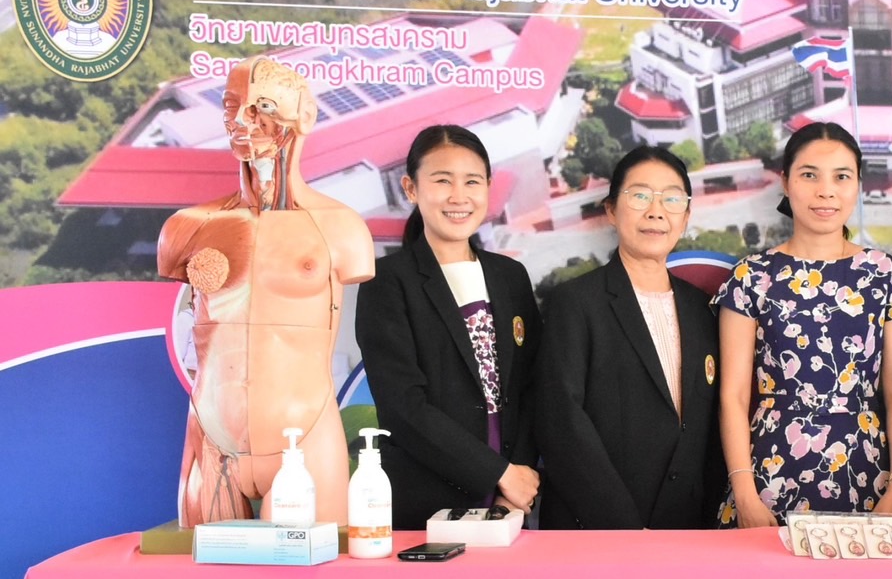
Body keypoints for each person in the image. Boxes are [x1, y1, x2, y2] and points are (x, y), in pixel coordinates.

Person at [158, 57, 374, 528]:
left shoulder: (341, 228)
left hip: (306, 434)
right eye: (231, 107)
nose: (243, 121)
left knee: (311, 573)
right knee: (209, 572)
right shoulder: (188, 228)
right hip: (213, 435)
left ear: (304, 116)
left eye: (263, 107)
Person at [716, 122, 892, 527]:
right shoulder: (752, 276)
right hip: (769, 473)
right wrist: (745, 493)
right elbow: (733, 395)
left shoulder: (884, 274)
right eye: (809, 175)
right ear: (785, 182)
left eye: (841, 177)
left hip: (865, 470)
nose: (826, 191)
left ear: (857, 184)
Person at [354, 125, 542, 529]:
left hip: (513, 499)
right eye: (442, 181)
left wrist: (517, 478)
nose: (459, 196)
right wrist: (497, 473)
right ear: (411, 188)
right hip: (427, 501)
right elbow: (403, 406)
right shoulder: (386, 282)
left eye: (472, 181)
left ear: (488, 186)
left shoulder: (510, 276)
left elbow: (531, 387)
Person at [536, 146, 722, 529]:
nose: (656, 211)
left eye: (672, 199)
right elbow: (561, 423)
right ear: (610, 209)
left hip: (684, 528)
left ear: (686, 217)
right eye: (640, 196)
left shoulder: (702, 309)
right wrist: (626, 529)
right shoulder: (575, 303)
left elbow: (703, 433)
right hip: (598, 529)